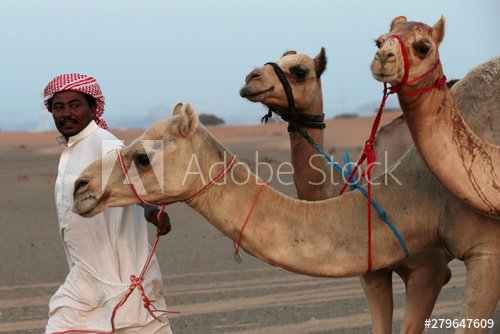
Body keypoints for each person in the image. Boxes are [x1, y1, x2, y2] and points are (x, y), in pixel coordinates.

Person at [43, 73, 173, 333]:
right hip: (85, 278)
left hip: (122, 276)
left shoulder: (105, 144)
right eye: (59, 107)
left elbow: (136, 183)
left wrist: (152, 211)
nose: (66, 113)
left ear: (93, 108)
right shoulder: (72, 150)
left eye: (75, 105)